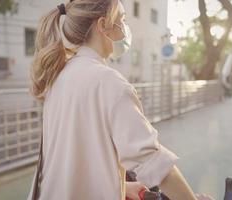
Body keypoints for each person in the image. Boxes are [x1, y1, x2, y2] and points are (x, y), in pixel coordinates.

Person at [27, 0, 213, 199]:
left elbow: (74, 156)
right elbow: (151, 160)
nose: (125, 29)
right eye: (122, 20)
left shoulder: (59, 76)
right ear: (102, 26)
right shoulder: (109, 83)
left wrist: (122, 186)